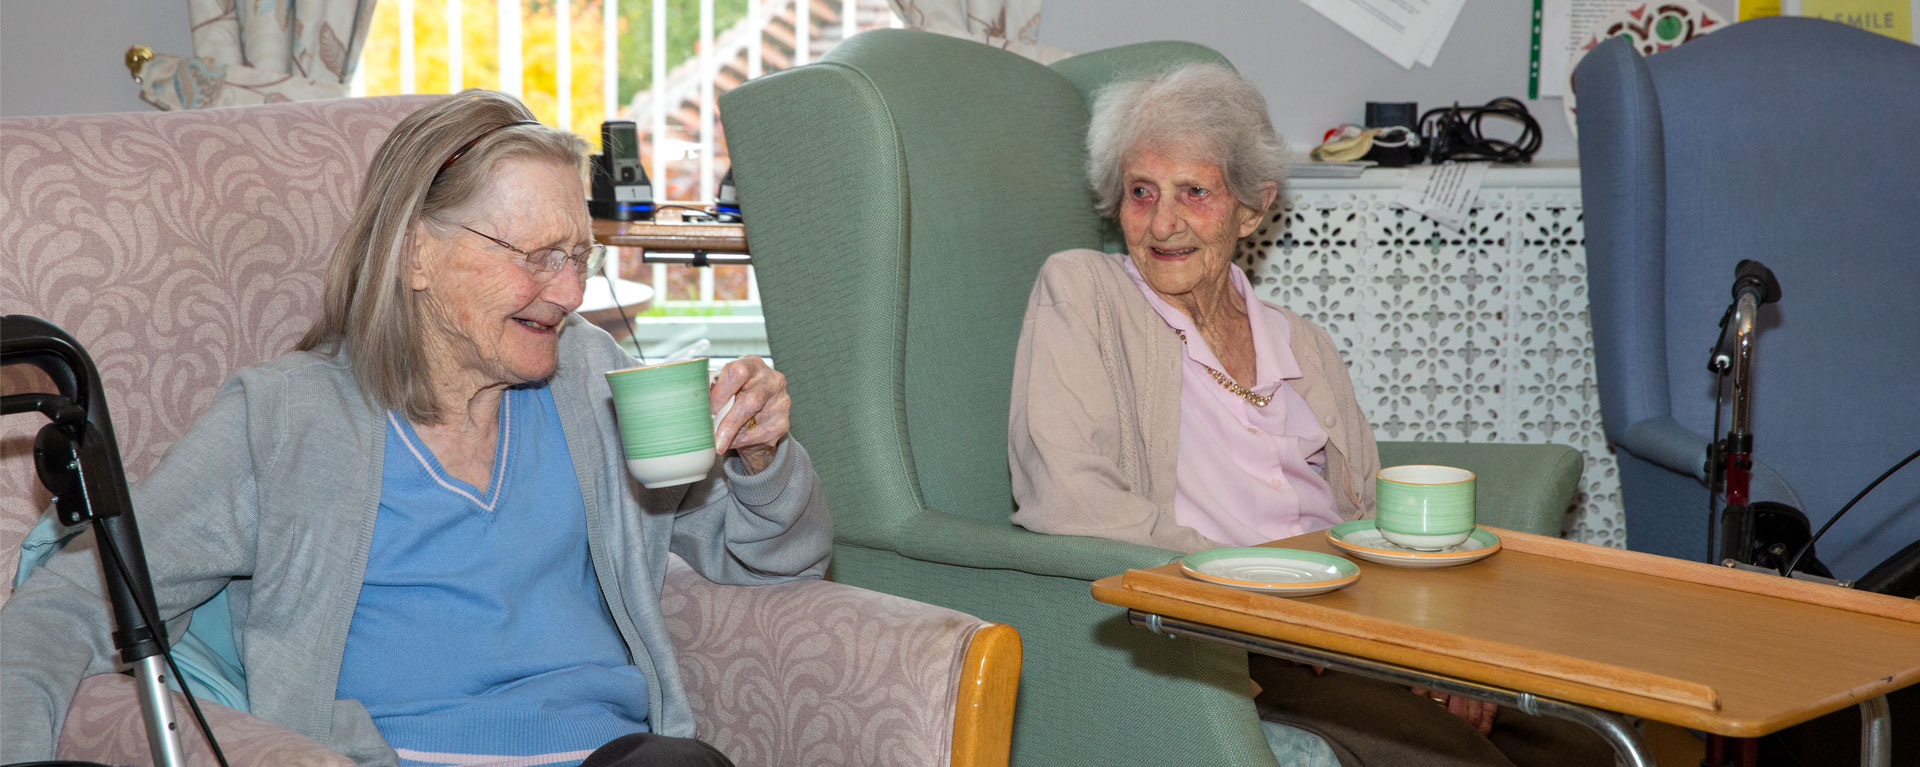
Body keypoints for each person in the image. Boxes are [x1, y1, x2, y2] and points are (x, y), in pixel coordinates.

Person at [0, 90, 830, 767]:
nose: (571, 293)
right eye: (536, 255)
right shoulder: (289, 418)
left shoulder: (593, 383)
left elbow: (779, 561)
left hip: (612, 755)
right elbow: (79, 595)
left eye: (578, 256)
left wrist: (761, 460)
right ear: (414, 256)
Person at [1006, 64, 1611, 767]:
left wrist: (1435, 651)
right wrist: (1257, 597)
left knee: (1584, 742)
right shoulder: (1085, 295)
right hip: (1230, 640)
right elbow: (1068, 499)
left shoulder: (1300, 342)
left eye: (1194, 192)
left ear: (1251, 209)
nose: (1162, 222)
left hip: (1352, 630)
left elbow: (1373, 516)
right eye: (1142, 192)